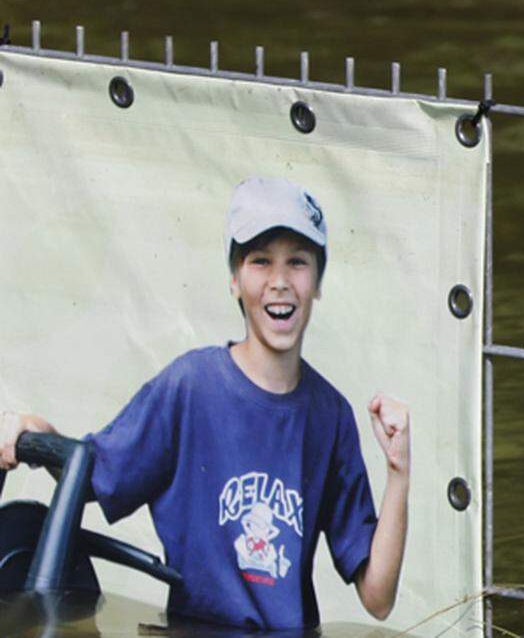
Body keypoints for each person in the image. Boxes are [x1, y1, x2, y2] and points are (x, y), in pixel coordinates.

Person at [0, 176, 411, 631]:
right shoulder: (190, 388)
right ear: (234, 280)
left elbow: (378, 598)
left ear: (317, 282)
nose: (279, 282)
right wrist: (36, 430)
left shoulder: (329, 416)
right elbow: (91, 477)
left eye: (297, 262)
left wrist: (398, 472)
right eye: (260, 262)